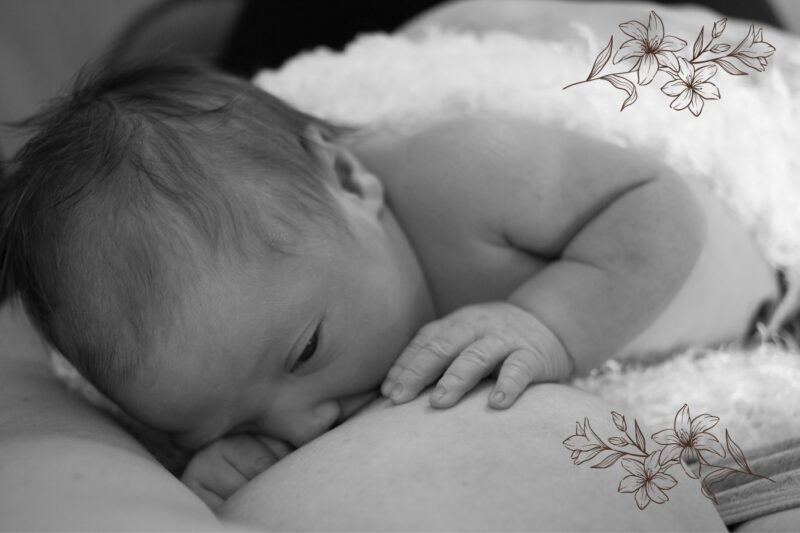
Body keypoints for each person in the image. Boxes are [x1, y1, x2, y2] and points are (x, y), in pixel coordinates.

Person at [0, 45, 782, 508]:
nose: (302, 426)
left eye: (305, 350)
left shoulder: (468, 175)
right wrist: (223, 466)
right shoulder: (273, 352)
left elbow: (657, 206)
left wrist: (545, 323)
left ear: (349, 179)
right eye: (226, 422)